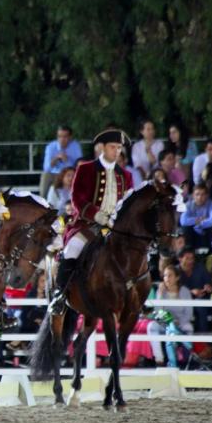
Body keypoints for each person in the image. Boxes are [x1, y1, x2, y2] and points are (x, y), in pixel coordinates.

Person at [48, 128, 133, 315]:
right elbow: (77, 198)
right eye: (113, 147)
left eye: (119, 148)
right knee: (72, 250)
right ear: (102, 148)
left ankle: (135, 295)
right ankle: (59, 294)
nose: (116, 151)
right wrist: (97, 215)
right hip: (88, 224)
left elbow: (129, 203)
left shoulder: (126, 176)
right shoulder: (86, 168)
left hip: (116, 228)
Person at [146, 265, 194, 366]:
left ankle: (186, 358)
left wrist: (179, 322)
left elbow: (189, 313)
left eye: (170, 275)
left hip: (181, 322)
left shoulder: (185, 291)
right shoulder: (161, 291)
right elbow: (157, 312)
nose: (167, 278)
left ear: (177, 277)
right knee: (152, 326)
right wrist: (159, 294)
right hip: (166, 322)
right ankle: (159, 359)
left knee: (188, 327)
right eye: (165, 276)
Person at [38, 125, 82, 199]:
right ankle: (42, 203)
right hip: (54, 174)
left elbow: (79, 165)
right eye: (60, 136)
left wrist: (67, 161)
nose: (62, 139)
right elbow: (46, 168)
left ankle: (78, 202)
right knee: (45, 175)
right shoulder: (50, 147)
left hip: (69, 173)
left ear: (70, 137)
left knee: (79, 174)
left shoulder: (75, 146)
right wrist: (55, 159)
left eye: (65, 136)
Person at [178, 247, 212, 333]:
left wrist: (207, 287)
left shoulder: (200, 268)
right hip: (181, 301)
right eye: (187, 258)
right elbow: (174, 290)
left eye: (192, 258)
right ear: (180, 258)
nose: (190, 261)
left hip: (201, 299)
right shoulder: (175, 271)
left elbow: (209, 285)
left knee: (201, 306)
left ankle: (203, 340)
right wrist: (191, 292)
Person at [180, 183, 212, 251]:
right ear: (193, 195)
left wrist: (198, 225)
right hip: (192, 232)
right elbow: (183, 221)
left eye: (203, 194)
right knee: (185, 228)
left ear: (207, 195)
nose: (200, 197)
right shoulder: (188, 205)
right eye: (197, 194)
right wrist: (199, 219)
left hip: (206, 231)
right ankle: (189, 253)